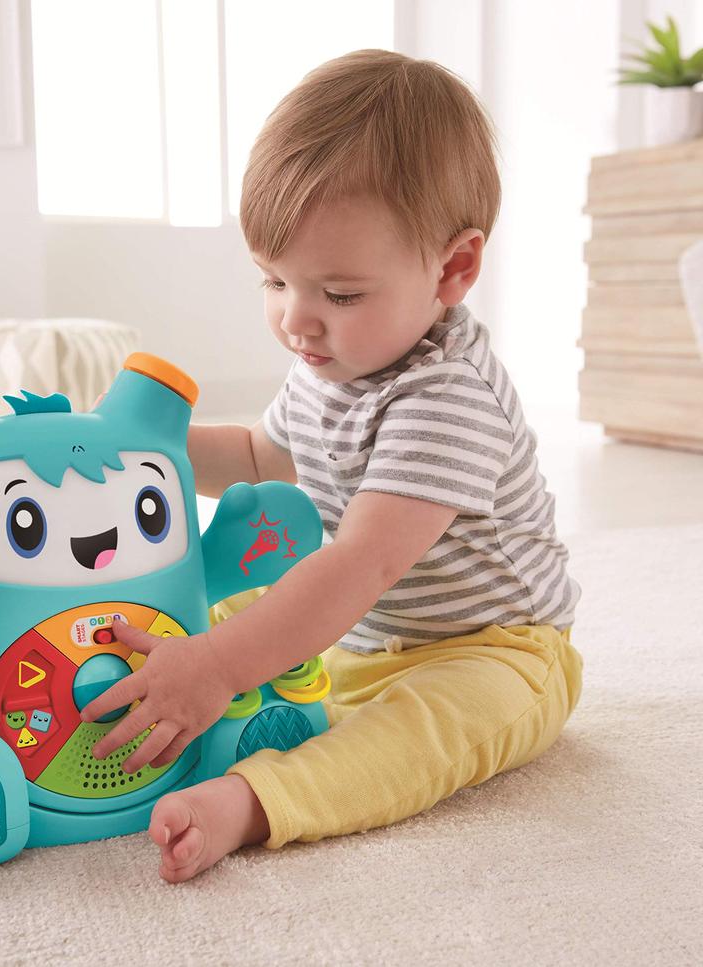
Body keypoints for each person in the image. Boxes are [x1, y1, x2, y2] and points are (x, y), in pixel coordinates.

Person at [79, 48, 583, 883]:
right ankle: (169, 693)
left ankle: (254, 800)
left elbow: (359, 563)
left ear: (454, 268)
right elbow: (258, 458)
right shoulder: (333, 362)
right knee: (229, 601)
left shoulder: (448, 396)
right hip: (365, 634)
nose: (295, 321)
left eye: (338, 294)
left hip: (493, 650)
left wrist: (222, 664)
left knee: (416, 735)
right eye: (274, 281)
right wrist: (132, 447)